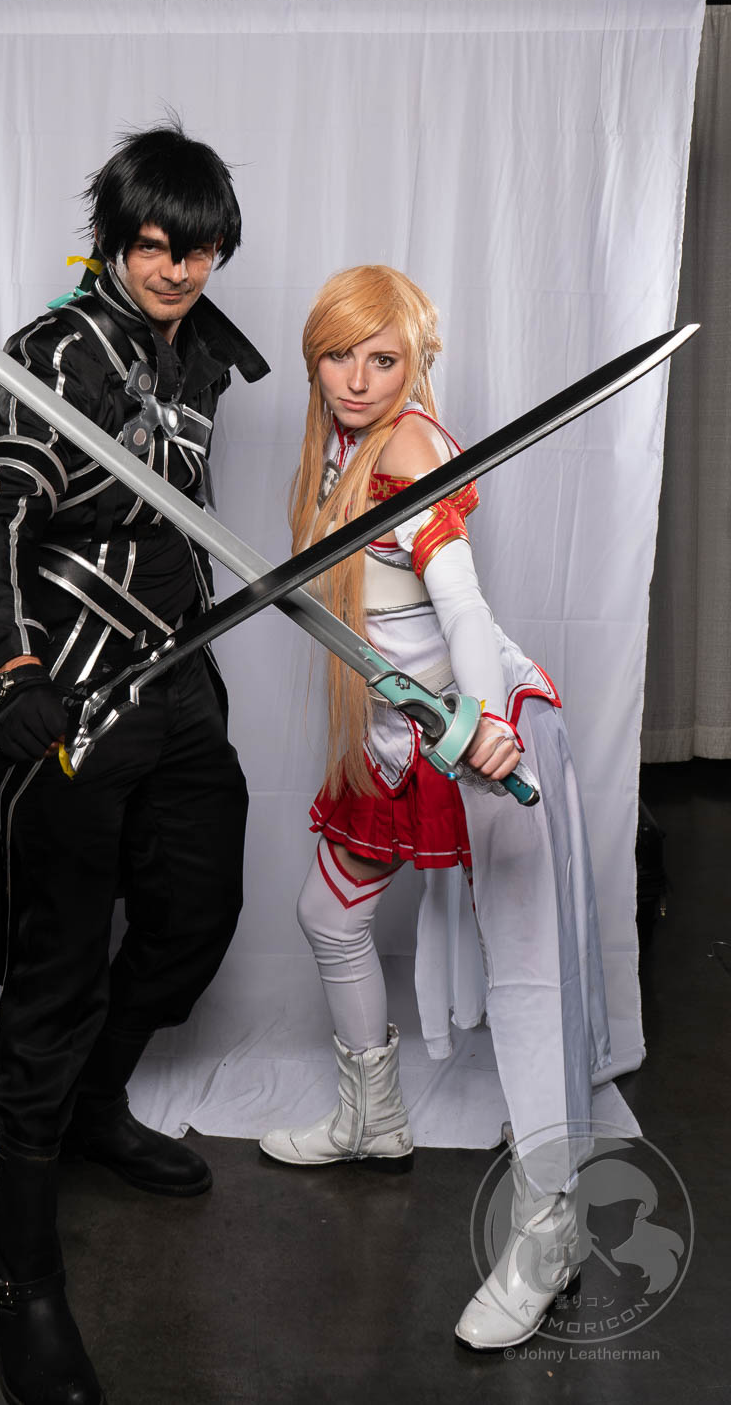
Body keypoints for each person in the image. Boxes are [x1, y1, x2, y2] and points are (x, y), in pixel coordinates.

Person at [0, 122, 268, 1405]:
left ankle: (94, 1102)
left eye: (198, 249)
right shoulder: (54, 351)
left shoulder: (198, 354)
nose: (177, 269)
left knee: (197, 913)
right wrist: (15, 677)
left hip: (180, 681)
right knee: (59, 973)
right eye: (153, 246)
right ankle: (17, 1276)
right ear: (114, 242)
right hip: (74, 689)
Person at [259, 266, 611, 1351]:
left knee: (527, 983)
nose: (358, 380)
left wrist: (488, 718)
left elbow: (460, 608)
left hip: (481, 733)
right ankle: (374, 1118)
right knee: (329, 914)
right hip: (395, 735)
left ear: (415, 363)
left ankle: (550, 1232)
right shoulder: (331, 451)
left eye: (384, 359)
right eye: (338, 356)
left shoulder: (407, 452)